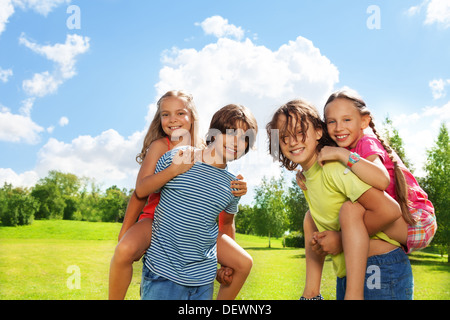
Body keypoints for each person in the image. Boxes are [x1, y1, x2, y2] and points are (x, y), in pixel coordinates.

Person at [109, 91, 252, 300]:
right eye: (165, 114)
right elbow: (139, 192)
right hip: (156, 217)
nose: (173, 119)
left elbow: (219, 208)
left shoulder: (205, 151)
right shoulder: (161, 147)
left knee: (242, 262)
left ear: (192, 117)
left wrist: (237, 188)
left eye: (180, 113)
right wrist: (125, 230)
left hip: (198, 229)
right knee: (125, 250)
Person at [266, 99, 413, 300]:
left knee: (348, 210)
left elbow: (389, 211)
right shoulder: (309, 177)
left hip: (379, 266)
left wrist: (340, 240)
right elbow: (315, 230)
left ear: (319, 132)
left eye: (300, 132)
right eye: (284, 137)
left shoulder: (333, 169)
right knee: (310, 218)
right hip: (348, 273)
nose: (292, 141)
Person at [307, 89, 436, 299]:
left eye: (347, 119)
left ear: (364, 121)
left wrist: (342, 154)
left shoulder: (366, 143)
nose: (339, 127)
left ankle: (342, 245)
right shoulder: (349, 147)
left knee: (350, 211)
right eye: (331, 121)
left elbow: (381, 178)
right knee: (345, 210)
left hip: (418, 221)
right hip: (403, 223)